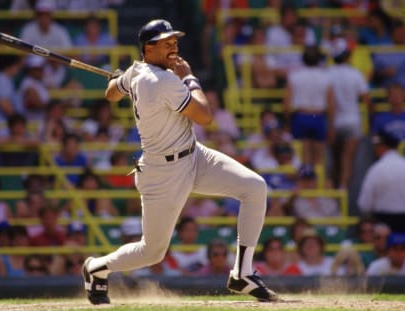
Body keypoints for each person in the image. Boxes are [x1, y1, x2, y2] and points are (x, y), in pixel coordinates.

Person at [81, 19, 280, 305]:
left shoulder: (141, 72)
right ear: (148, 48)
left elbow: (111, 94)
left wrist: (123, 79)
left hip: (193, 153)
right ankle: (96, 268)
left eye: (174, 41)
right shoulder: (160, 80)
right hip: (163, 171)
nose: (174, 47)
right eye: (166, 43)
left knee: (254, 187)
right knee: (152, 252)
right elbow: (204, 116)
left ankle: (243, 273)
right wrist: (189, 77)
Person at [358, 129, 405, 258]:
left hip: (384, 222)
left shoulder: (376, 169)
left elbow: (364, 204)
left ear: (381, 147)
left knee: (385, 264)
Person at [327, 38, 371, 189]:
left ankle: (334, 195)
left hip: (333, 122)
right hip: (352, 121)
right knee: (347, 160)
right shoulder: (355, 74)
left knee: (335, 160)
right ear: (347, 55)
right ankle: (343, 193)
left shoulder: (328, 73)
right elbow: (366, 98)